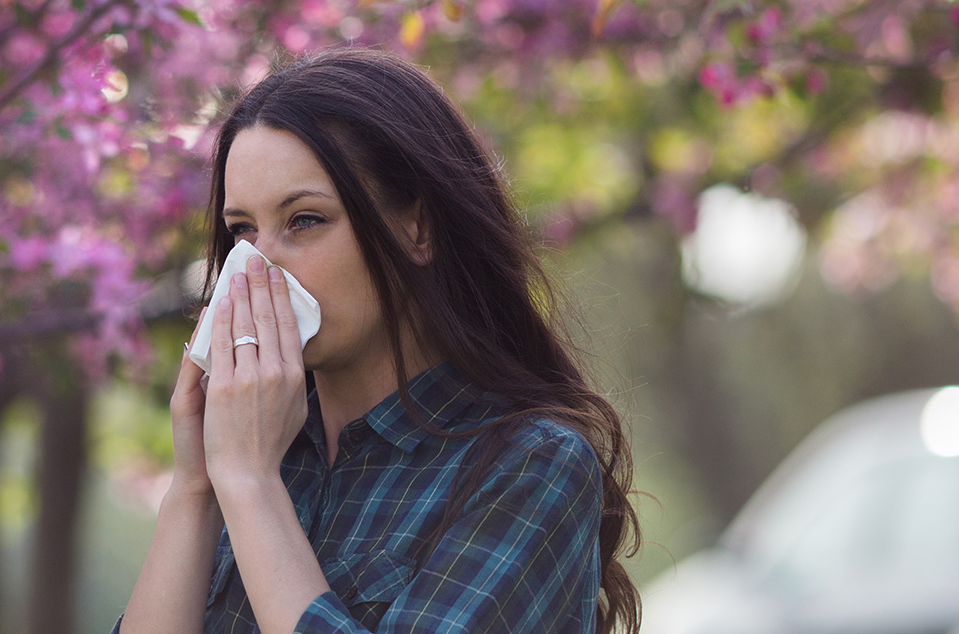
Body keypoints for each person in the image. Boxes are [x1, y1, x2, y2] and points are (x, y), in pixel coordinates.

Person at [111, 47, 641, 634]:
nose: (257, 268)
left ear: (418, 228)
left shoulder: (529, 465)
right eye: (242, 231)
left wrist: (250, 486)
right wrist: (196, 487)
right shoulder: (254, 453)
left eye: (304, 221)